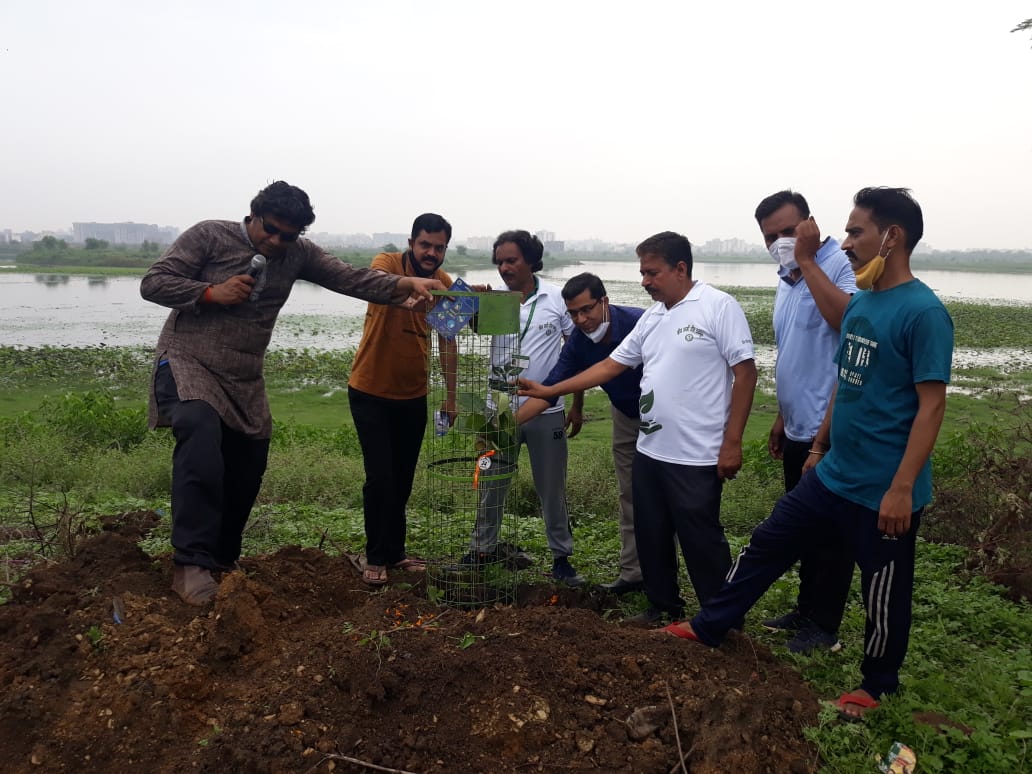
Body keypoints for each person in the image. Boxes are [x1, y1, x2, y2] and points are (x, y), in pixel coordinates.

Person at [664, 188, 953, 721]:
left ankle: (877, 685)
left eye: (855, 232)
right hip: (834, 471)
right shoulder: (864, 303)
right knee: (767, 543)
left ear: (892, 237)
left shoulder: (924, 312)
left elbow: (931, 407)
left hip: (883, 487)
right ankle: (710, 626)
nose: (845, 244)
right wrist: (820, 445)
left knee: (883, 590)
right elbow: (846, 382)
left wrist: (903, 487)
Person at [141, 181, 443, 605]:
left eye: (289, 235)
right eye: (272, 230)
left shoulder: (298, 253)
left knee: (250, 462)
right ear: (254, 214)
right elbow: (153, 283)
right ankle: (189, 562)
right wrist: (210, 292)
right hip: (191, 359)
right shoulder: (209, 235)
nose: (278, 241)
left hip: (243, 374)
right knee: (200, 435)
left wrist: (405, 285)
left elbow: (350, 278)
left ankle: (223, 558)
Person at [519, 231, 757, 620]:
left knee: (701, 538)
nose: (644, 281)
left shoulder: (717, 306)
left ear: (680, 268)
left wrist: (733, 442)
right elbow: (609, 366)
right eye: (642, 272)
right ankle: (661, 606)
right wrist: (550, 389)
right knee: (652, 532)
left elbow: (746, 374)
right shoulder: (653, 317)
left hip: (696, 453)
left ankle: (722, 621)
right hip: (650, 448)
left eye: (652, 272)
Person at [754, 190, 858, 653]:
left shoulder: (838, 264)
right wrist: (781, 414)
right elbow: (796, 351)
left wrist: (807, 257)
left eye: (788, 230)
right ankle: (805, 607)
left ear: (811, 225)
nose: (780, 240)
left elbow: (848, 327)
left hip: (830, 428)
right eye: (770, 235)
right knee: (806, 528)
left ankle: (825, 626)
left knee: (832, 531)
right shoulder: (788, 277)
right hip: (798, 424)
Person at [514, 272, 646, 594]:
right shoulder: (577, 342)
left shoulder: (640, 322)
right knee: (629, 494)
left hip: (663, 416)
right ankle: (633, 574)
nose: (581, 319)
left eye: (586, 310)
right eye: (573, 313)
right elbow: (548, 393)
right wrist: (506, 426)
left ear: (604, 302)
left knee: (666, 496)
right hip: (625, 416)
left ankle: (663, 574)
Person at [467, 230, 585, 586]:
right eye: (500, 261)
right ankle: (481, 548)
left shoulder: (556, 299)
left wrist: (576, 405)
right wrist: (476, 306)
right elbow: (475, 329)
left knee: (552, 487)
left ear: (531, 260)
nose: (504, 267)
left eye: (512, 260)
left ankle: (561, 557)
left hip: (546, 411)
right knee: (491, 482)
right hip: (498, 411)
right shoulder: (497, 298)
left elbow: (575, 353)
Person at [347, 214, 458, 586]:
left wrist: (451, 398)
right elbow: (380, 285)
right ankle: (374, 555)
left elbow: (448, 339)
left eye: (439, 247)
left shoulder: (442, 284)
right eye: (425, 244)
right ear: (411, 243)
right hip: (369, 390)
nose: (431, 252)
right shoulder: (387, 263)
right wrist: (410, 291)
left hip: (413, 395)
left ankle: (395, 552)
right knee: (379, 477)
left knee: (403, 479)